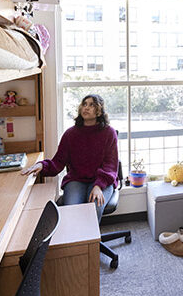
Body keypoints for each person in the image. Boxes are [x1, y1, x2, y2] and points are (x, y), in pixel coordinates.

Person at [21, 94, 118, 222]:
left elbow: (110, 165)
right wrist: (42, 165)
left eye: (91, 105)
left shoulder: (108, 132)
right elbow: (58, 162)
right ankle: (77, 242)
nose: (86, 108)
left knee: (95, 208)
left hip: (101, 181)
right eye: (84, 104)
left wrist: (99, 186)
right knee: (71, 210)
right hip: (76, 180)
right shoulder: (70, 134)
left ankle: (90, 241)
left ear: (99, 110)